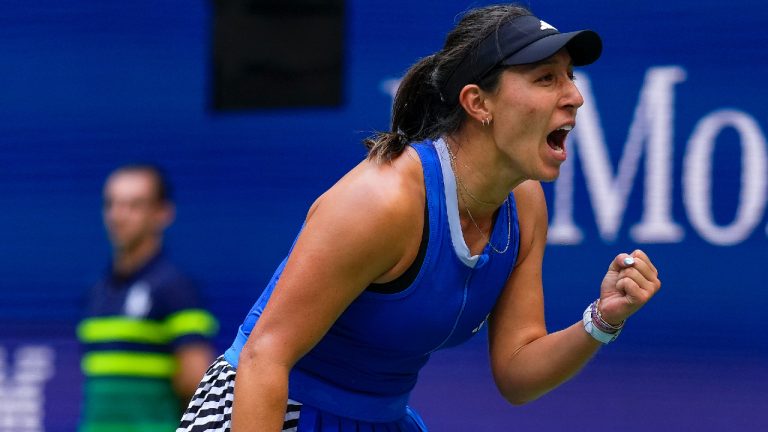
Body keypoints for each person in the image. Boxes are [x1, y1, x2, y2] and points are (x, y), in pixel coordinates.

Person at [179, 4, 661, 432]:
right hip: (265, 406)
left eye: (570, 75)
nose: (574, 95)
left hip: (379, 419)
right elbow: (266, 358)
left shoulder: (525, 203)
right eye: (546, 78)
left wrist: (602, 320)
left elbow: (517, 371)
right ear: (478, 103)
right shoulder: (380, 202)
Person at [77, 164, 219, 432]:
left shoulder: (176, 289)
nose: (118, 215)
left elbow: (196, 383)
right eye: (112, 204)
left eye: (134, 205)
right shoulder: (95, 291)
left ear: (162, 213)